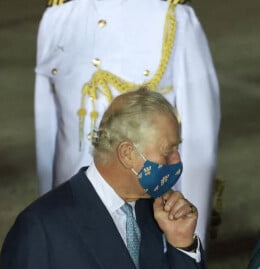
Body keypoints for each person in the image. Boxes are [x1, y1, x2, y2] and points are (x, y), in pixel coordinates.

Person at [0, 88, 213, 269]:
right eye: (168, 151)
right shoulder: (41, 228)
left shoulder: (160, 214)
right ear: (128, 154)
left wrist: (183, 245)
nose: (177, 161)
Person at [34, 0, 220, 247]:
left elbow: (199, 139)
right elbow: (47, 131)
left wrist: (190, 243)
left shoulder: (172, 17)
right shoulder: (57, 19)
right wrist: (48, 218)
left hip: (145, 217)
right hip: (71, 208)